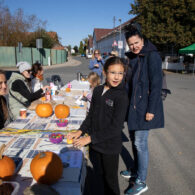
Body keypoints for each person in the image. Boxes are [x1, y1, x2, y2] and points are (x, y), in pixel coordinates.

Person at [67, 57, 128, 195]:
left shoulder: (121, 96)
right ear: (105, 72)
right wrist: (80, 130)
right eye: (113, 72)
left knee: (110, 182)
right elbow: (91, 115)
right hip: (95, 145)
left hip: (109, 148)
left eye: (120, 73)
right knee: (98, 177)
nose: (117, 77)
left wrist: (88, 139)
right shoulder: (97, 90)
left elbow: (116, 128)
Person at [120, 24, 164, 195]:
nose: (134, 46)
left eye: (136, 42)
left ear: (143, 40)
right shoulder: (131, 57)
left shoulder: (152, 56)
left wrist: (151, 109)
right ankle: (135, 170)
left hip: (145, 108)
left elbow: (156, 85)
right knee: (134, 140)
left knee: (140, 143)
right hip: (133, 107)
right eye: (131, 44)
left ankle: (141, 181)